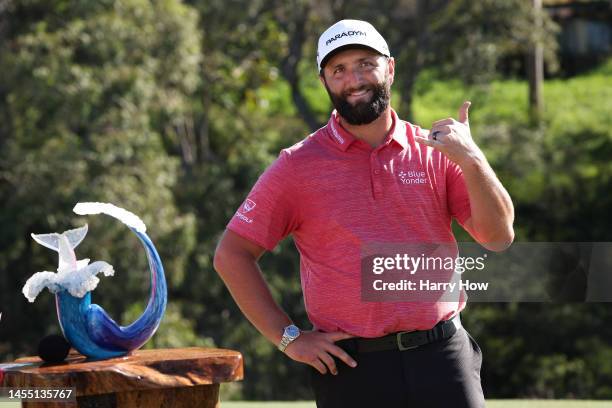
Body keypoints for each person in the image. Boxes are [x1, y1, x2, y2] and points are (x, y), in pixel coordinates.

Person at [214, 19, 514, 408]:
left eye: (365, 64)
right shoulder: (296, 166)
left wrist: (473, 160)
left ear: (390, 68)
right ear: (324, 82)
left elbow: (499, 236)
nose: (354, 79)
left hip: (442, 359)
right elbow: (232, 255)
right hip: (353, 369)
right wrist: (289, 338)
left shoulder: (436, 152)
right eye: (338, 70)